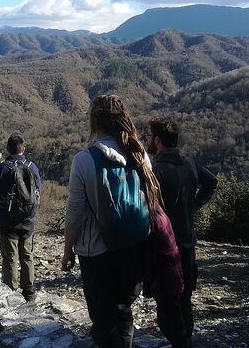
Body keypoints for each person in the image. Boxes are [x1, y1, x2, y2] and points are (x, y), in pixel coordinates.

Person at [61, 94, 181, 348]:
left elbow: (74, 213)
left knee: (102, 320)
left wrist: (67, 251)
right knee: (124, 309)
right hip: (134, 245)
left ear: (95, 122)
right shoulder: (139, 154)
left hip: (95, 251)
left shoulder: (83, 160)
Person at [146, 116, 217, 347]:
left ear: (157, 140)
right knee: (185, 297)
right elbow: (212, 182)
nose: (147, 138)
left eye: (149, 135)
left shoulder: (155, 172)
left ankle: (181, 343)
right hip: (188, 244)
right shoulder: (190, 163)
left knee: (167, 304)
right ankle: (186, 339)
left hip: (165, 249)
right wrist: (193, 206)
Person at [0, 133, 42, 302]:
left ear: (7, 150)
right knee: (27, 254)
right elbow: (38, 192)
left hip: (6, 219)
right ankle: (29, 291)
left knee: (10, 256)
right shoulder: (32, 167)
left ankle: (11, 292)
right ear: (23, 149)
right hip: (28, 220)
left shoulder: (1, 169)